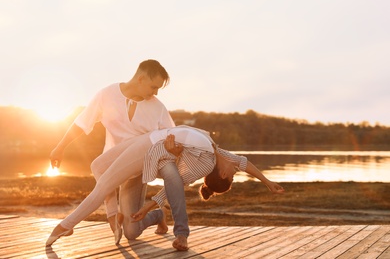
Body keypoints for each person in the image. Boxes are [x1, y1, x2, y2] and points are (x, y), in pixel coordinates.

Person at [46, 126, 284, 251]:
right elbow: (246, 163)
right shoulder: (220, 153)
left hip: (149, 153)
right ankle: (113, 214)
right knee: (98, 165)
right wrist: (267, 182)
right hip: (149, 138)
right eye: (235, 171)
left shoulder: (206, 162)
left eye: (234, 175)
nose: (237, 169)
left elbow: (173, 186)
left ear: (222, 174)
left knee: (106, 190)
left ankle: (64, 226)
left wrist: (150, 204)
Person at [48, 59, 176, 243]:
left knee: (131, 232)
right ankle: (111, 215)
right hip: (110, 164)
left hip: (137, 172)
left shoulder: (158, 108)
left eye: (158, 89)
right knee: (98, 167)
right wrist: (59, 147)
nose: (155, 93)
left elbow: (170, 137)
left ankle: (158, 216)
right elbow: (81, 123)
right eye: (153, 86)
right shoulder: (106, 95)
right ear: (140, 79)